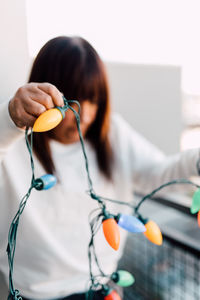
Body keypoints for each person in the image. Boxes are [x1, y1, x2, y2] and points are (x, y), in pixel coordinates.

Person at [0, 36, 199, 300]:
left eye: (94, 100)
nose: (88, 114)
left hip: (104, 289)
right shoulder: (13, 141)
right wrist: (9, 119)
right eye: (73, 100)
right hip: (33, 295)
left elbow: (159, 173)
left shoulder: (113, 134)